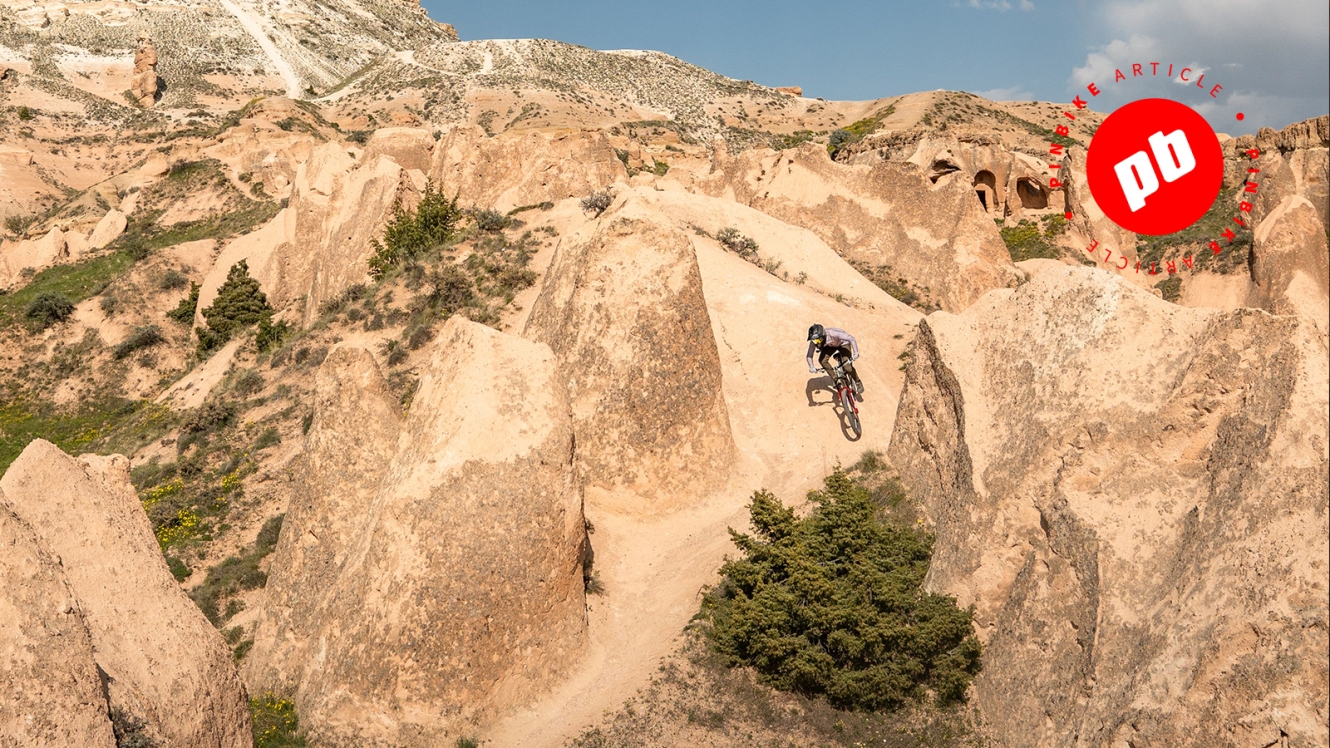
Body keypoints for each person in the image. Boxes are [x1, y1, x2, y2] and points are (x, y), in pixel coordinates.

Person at [806, 323, 864, 397]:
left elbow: (851, 338)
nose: (816, 343)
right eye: (814, 341)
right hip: (831, 346)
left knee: (848, 368)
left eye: (817, 340)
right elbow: (809, 355)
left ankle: (857, 381)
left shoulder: (834, 334)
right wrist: (811, 367)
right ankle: (836, 380)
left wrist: (856, 353)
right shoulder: (815, 340)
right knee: (822, 360)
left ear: (823, 336)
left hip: (843, 343)